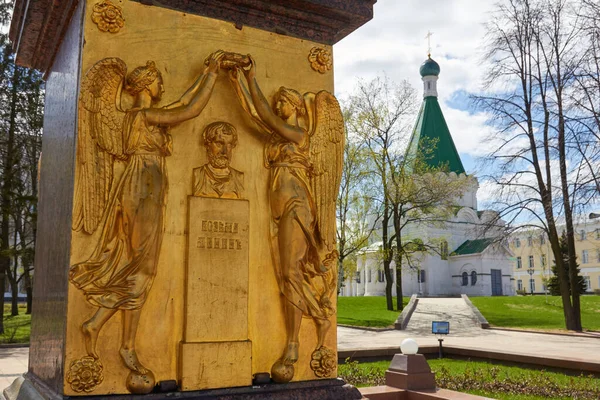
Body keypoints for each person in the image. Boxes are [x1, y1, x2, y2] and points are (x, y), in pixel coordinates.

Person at [69, 51, 224, 378]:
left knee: (137, 266)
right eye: (157, 80)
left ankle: (98, 324)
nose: (162, 84)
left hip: (144, 183)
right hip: (143, 183)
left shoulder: (139, 116)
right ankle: (120, 342)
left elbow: (180, 104)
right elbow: (189, 110)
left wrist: (204, 74)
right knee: (143, 268)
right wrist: (212, 74)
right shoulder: (143, 116)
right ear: (143, 84)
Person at [233, 56, 334, 380]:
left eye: (282, 102)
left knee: (291, 273)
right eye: (275, 103)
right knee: (283, 275)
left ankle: (296, 339)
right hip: (276, 208)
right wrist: (235, 80)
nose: (277, 106)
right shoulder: (278, 138)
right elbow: (252, 115)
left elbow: (261, 113)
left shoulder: (300, 134)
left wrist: (252, 77)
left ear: (295, 107)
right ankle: (310, 321)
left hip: (296, 205)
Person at [193, 121, 244, 199]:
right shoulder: (198, 175)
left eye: (229, 145)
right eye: (219, 144)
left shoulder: (238, 178)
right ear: (208, 144)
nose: (224, 151)